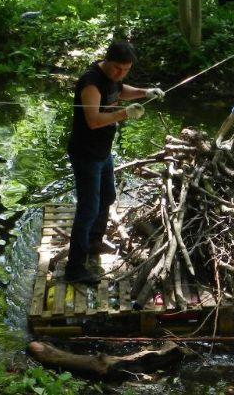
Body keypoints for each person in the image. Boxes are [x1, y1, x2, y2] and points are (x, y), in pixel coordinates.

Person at [65, 41, 164, 284]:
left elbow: (119, 91)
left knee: (107, 196)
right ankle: (74, 268)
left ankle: (94, 242)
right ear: (107, 61)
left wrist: (145, 92)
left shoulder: (113, 77)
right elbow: (94, 120)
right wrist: (124, 113)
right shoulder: (91, 82)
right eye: (118, 68)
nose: (121, 74)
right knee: (87, 209)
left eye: (126, 70)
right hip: (86, 153)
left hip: (103, 151)